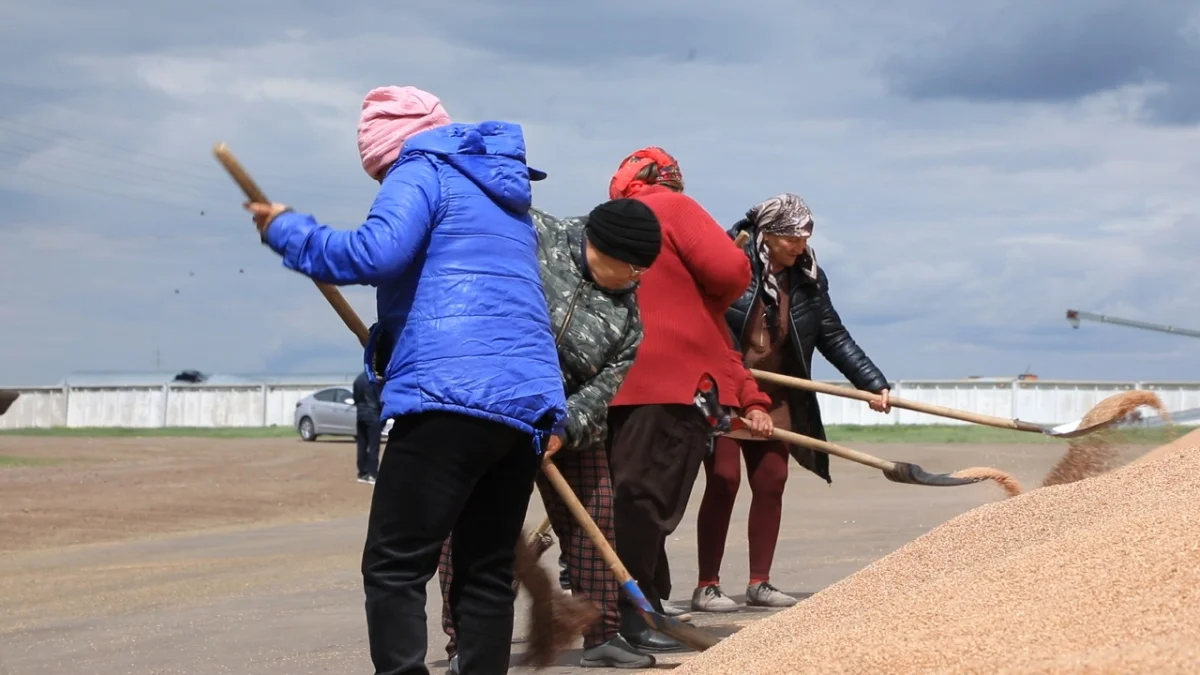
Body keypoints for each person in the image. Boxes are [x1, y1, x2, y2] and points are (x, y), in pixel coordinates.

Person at [243, 85, 568, 675]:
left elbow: (375, 255)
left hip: (450, 396)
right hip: (524, 403)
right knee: (485, 572)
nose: (380, 183)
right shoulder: (503, 195)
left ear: (385, 151)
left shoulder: (419, 170)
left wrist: (289, 232)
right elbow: (508, 302)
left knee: (394, 565)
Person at [438, 199, 664, 671]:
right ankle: (466, 644)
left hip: (569, 424)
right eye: (633, 267)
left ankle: (602, 636)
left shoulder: (627, 313)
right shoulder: (535, 236)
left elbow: (608, 381)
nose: (637, 278)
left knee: (593, 523)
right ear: (600, 246)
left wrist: (564, 426)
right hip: (494, 405)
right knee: (475, 528)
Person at [604, 147, 776, 654]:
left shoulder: (606, 223)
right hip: (675, 385)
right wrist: (709, 297)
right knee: (647, 505)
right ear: (668, 180)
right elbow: (730, 271)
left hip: (612, 386)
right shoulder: (671, 207)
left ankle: (644, 607)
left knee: (628, 501)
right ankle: (638, 617)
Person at [690, 193, 892, 613]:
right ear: (768, 234)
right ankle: (706, 584)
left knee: (771, 483)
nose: (800, 245)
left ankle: (759, 583)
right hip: (727, 390)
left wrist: (871, 382)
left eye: (806, 236)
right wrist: (743, 395)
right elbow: (709, 327)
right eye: (792, 237)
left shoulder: (808, 279)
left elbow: (832, 334)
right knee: (724, 480)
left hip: (779, 393)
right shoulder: (729, 265)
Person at [352, 369, 382, 484]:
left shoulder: (358, 379)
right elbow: (379, 398)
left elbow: (355, 397)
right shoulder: (374, 379)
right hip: (373, 414)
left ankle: (362, 472)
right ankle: (373, 474)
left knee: (362, 444)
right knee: (374, 445)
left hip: (360, 414)